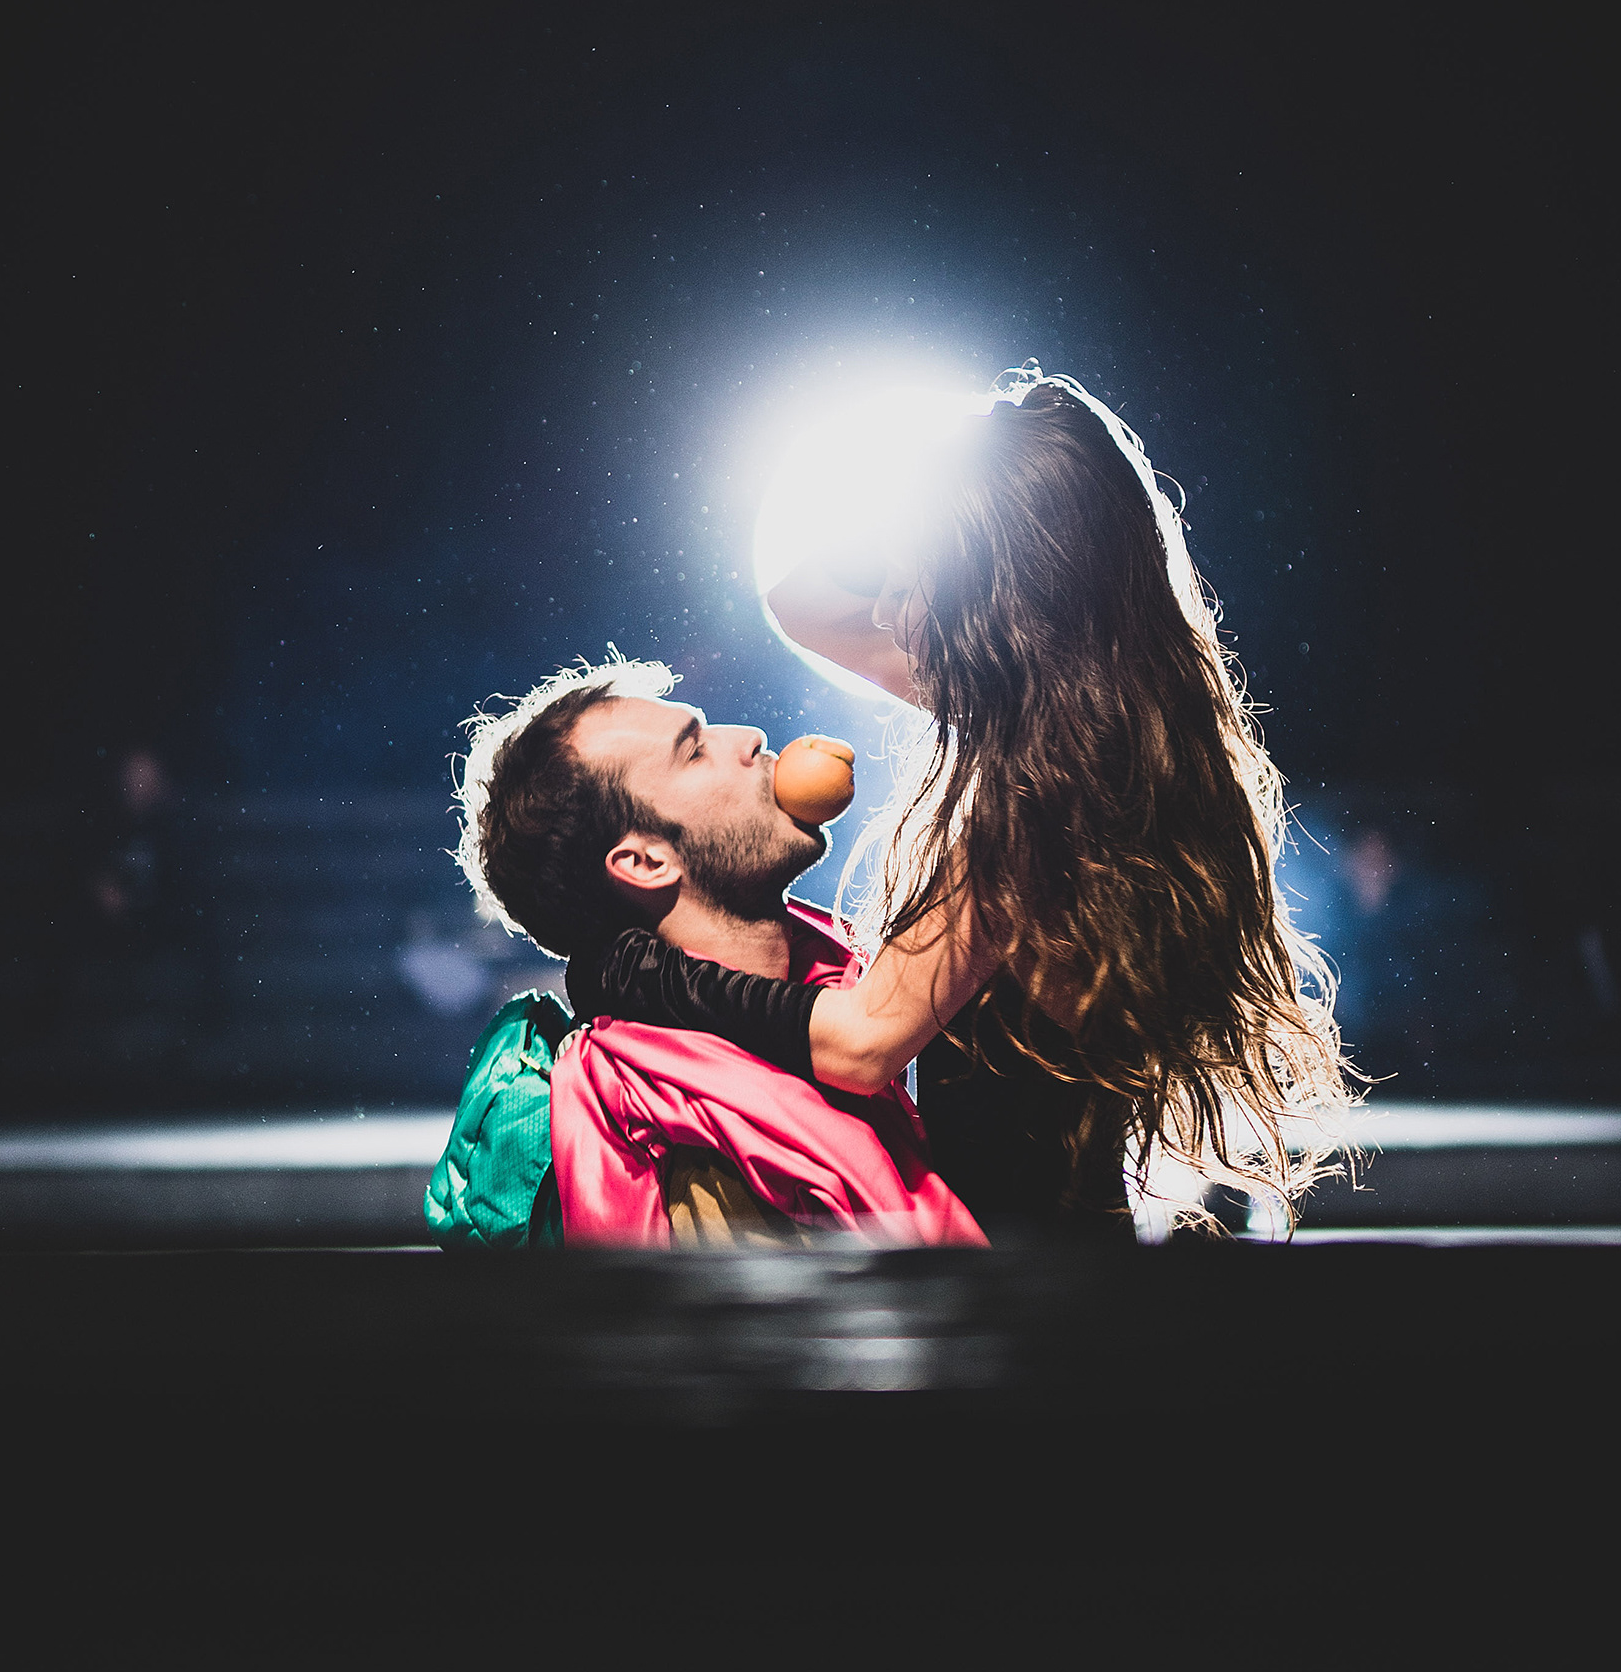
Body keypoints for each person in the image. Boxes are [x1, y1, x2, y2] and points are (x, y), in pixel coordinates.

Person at [586, 368, 1352, 1235]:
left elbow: (862, 1046)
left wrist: (651, 976)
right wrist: (943, 497)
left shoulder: (1036, 812)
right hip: (1052, 1269)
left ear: (985, 609)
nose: (884, 613)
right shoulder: (1080, 741)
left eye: (911, 586)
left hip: (1030, 1302)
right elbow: (798, 604)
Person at [424, 655, 983, 1247]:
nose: (749, 737)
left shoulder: (803, 1010)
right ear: (645, 862)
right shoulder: (698, 1146)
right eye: (694, 751)